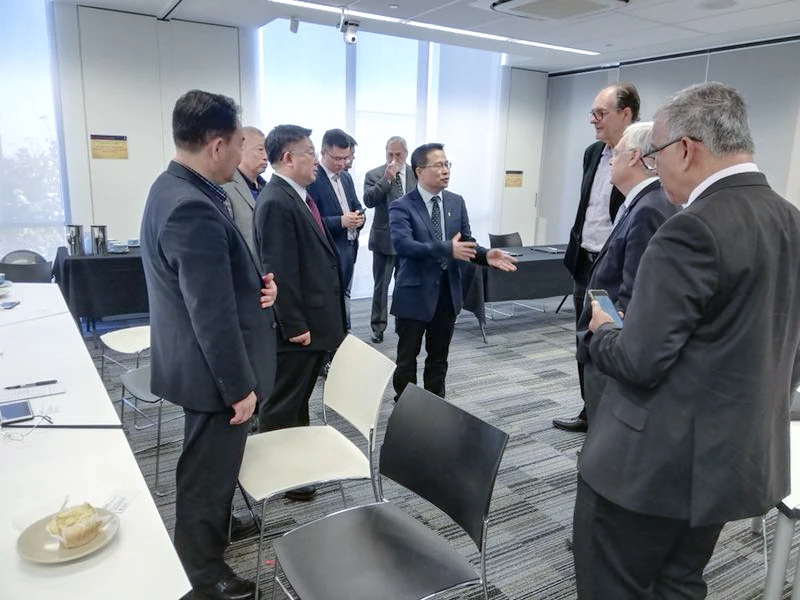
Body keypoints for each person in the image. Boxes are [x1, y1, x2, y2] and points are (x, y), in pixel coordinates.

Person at [575, 82, 800, 599]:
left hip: (650, 467)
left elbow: (639, 361)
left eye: (655, 154)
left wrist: (604, 329)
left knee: (614, 585)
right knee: (679, 582)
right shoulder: (791, 221)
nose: (655, 169)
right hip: (731, 458)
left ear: (686, 149)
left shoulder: (690, 229)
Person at [140, 90, 277, 600]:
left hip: (196, 360)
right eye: (240, 143)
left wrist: (257, 285)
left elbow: (207, 283)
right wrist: (238, 388)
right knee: (207, 468)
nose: (243, 154)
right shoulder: (191, 207)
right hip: (213, 371)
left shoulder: (172, 186)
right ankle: (201, 570)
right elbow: (210, 313)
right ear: (218, 146)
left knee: (211, 462)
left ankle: (214, 527)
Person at [253, 124, 346, 501]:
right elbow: (280, 271)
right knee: (284, 402)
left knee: (298, 398)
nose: (316, 161)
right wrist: (294, 325)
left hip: (313, 320)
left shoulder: (296, 196)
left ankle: (297, 468)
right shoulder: (277, 201)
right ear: (288, 158)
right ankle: (279, 475)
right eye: (310, 153)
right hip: (299, 328)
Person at [389, 142, 517, 401]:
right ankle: (405, 407)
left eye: (447, 164)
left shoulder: (456, 202)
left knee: (439, 357)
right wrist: (447, 248)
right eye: (438, 165)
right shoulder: (402, 205)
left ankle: (436, 406)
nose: (445, 170)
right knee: (407, 359)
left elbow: (466, 242)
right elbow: (404, 245)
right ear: (419, 171)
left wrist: (485, 255)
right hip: (414, 294)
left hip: (447, 294)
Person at [576, 121, 677, 423]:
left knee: (605, 429)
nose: (610, 161)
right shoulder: (643, 203)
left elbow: (634, 294)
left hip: (614, 346)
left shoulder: (649, 209)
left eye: (616, 154)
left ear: (634, 157)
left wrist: (607, 336)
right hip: (608, 337)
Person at [554, 82, 639, 434]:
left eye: (600, 113)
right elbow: (587, 207)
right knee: (583, 340)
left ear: (626, 114)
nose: (593, 119)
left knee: (611, 339)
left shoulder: (641, 155)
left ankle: (609, 417)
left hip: (614, 271)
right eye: (592, 113)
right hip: (584, 263)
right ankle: (590, 409)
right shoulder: (593, 153)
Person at [306, 128, 364, 329]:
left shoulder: (346, 177)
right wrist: (340, 221)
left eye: (346, 158)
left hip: (348, 248)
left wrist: (359, 217)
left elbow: (356, 205)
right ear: (323, 153)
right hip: (328, 253)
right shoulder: (313, 179)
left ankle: (344, 333)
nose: (342, 163)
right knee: (331, 304)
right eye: (337, 158)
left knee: (345, 298)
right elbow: (309, 221)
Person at [363, 136, 416, 343]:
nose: (394, 159)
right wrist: (386, 180)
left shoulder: (416, 173)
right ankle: (378, 328)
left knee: (406, 285)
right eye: (390, 154)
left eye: (398, 154)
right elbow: (369, 200)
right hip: (384, 241)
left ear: (406, 154)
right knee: (381, 287)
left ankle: (405, 324)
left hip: (409, 241)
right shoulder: (374, 174)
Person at [222, 126, 267, 254]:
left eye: (266, 150)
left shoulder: (268, 188)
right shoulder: (225, 187)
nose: (265, 156)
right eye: (260, 150)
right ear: (240, 149)